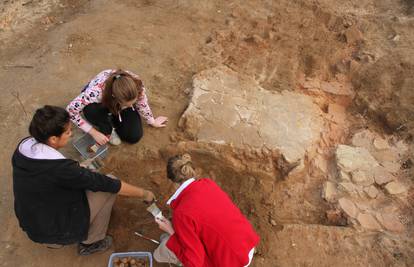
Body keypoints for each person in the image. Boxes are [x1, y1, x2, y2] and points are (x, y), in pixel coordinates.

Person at [11, 105, 156, 255]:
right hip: (52, 230)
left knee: (86, 179)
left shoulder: (24, 147)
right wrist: (144, 193)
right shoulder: (62, 169)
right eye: (67, 132)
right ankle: (91, 242)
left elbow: (55, 175)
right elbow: (109, 185)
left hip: (32, 218)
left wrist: (78, 168)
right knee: (107, 185)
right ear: (53, 139)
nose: (71, 134)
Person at [153, 154, 260, 267]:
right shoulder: (208, 183)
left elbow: (195, 263)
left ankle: (168, 256)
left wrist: (171, 231)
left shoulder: (182, 213)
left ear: (172, 182)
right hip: (246, 244)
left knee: (162, 251)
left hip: (231, 262)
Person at [66, 69, 168, 145]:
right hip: (100, 105)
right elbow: (70, 111)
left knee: (133, 137)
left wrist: (151, 121)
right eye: (127, 104)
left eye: (133, 103)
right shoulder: (95, 92)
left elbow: (142, 102)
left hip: (117, 104)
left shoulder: (137, 84)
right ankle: (107, 127)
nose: (131, 106)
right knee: (91, 110)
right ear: (114, 97)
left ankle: (114, 119)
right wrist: (93, 133)